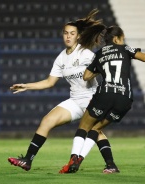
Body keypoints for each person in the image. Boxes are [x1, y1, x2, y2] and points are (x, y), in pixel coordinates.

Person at [7, 9, 118, 174]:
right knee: (47, 121)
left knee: (95, 131)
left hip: (91, 99)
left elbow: (103, 69)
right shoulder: (61, 58)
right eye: (65, 33)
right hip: (75, 100)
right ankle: (27, 160)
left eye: (72, 33)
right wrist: (26, 86)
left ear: (78, 36)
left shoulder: (86, 53)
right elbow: (49, 82)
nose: (68, 36)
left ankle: (111, 165)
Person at [60, 25, 145, 174]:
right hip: (125, 99)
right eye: (122, 38)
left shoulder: (100, 53)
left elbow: (86, 76)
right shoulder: (125, 49)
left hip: (105, 95)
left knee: (84, 126)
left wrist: (100, 68)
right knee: (97, 128)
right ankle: (104, 164)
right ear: (117, 39)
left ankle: (74, 159)